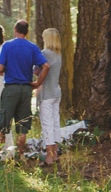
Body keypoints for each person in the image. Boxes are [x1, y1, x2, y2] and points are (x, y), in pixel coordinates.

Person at [0, 19, 48, 160]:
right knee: (22, 127)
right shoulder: (33, 47)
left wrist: (8, 67)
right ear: (27, 32)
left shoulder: (7, 46)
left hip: (11, 89)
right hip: (26, 90)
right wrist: (37, 83)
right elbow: (46, 66)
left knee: (3, 123)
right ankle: (18, 157)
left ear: (15, 29)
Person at [38, 28, 64, 166]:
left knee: (47, 123)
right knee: (55, 122)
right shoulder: (57, 54)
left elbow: (36, 70)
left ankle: (49, 156)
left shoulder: (45, 53)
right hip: (56, 92)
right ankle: (55, 154)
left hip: (47, 93)